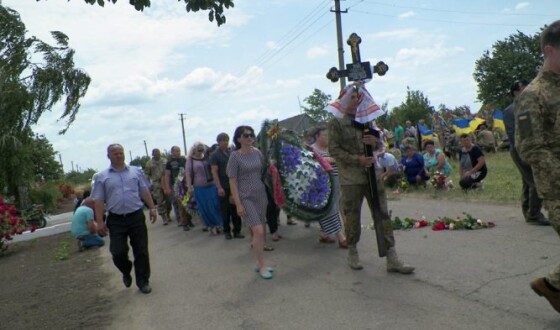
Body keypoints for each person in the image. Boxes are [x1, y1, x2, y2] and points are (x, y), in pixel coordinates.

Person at [327, 83, 414, 274]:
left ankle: (392, 257)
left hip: (372, 176)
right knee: (352, 216)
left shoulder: (367, 119)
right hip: (351, 178)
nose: (356, 100)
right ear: (344, 98)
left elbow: (380, 145)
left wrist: (375, 142)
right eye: (352, 97)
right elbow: (333, 149)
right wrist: (356, 159)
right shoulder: (336, 121)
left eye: (359, 98)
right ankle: (352, 251)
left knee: (382, 214)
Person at [514, 20, 560, 312]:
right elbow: (532, 147)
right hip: (557, 187)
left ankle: (553, 284)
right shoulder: (534, 94)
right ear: (549, 50)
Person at [92, 143, 157, 294]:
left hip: (135, 216)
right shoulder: (103, 177)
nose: (119, 155)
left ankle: (143, 281)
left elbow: (144, 190)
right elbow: (98, 200)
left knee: (141, 250)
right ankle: (126, 270)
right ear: (108, 156)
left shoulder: (135, 172)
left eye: (121, 153)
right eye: (115, 153)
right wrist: (100, 221)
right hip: (116, 219)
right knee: (117, 252)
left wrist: (152, 208)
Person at [227, 126, 274, 279]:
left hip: (260, 195)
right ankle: (261, 265)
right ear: (238, 139)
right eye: (245, 135)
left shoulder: (257, 153)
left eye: (251, 135)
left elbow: (263, 172)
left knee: (262, 229)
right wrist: (238, 204)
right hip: (245, 197)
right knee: (258, 231)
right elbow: (232, 181)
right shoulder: (235, 156)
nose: (249, 137)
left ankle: (259, 262)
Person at [504, 80, 548, 226]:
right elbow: (513, 134)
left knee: (527, 181)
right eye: (525, 88)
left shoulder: (527, 106)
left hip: (526, 148)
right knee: (536, 181)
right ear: (516, 92)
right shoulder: (512, 110)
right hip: (520, 150)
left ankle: (528, 211)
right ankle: (534, 214)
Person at [310, 127, 348, 248]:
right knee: (330, 208)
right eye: (325, 136)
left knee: (334, 207)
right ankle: (340, 236)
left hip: (336, 181)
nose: (328, 138)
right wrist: (328, 160)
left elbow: (340, 159)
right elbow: (313, 163)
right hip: (321, 184)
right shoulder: (312, 149)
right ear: (317, 136)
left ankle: (324, 234)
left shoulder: (331, 148)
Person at [210, 133, 244, 240]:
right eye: (223, 140)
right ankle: (227, 231)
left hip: (233, 185)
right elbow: (214, 172)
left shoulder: (231, 153)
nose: (225, 142)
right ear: (218, 142)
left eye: (226, 140)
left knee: (236, 208)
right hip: (223, 186)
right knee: (225, 210)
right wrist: (219, 187)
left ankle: (237, 231)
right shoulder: (215, 155)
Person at [185, 142, 224, 235]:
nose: (201, 151)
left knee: (215, 205)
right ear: (194, 149)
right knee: (205, 208)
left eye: (202, 149)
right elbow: (188, 174)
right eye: (199, 149)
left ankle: (221, 224)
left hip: (211, 185)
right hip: (199, 188)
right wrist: (189, 186)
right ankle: (211, 226)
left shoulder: (207, 157)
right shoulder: (190, 160)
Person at [163, 146, 191, 228]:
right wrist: (167, 187)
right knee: (180, 204)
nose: (178, 152)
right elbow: (167, 175)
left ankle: (189, 220)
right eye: (176, 151)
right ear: (172, 152)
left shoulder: (183, 159)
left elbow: (187, 171)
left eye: (179, 151)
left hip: (185, 184)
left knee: (187, 202)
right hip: (176, 186)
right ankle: (183, 222)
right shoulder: (169, 162)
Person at [144, 148, 171, 225]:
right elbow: (146, 175)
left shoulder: (164, 161)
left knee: (168, 200)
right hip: (156, 184)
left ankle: (168, 213)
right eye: (155, 153)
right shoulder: (149, 163)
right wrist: (148, 185)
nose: (157, 154)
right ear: (152, 154)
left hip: (165, 182)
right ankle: (164, 217)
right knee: (159, 201)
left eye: (158, 152)